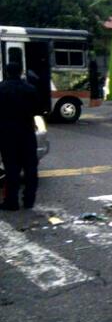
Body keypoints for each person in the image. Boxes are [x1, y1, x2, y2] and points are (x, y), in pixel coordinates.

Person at [0, 62, 41, 211]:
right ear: (21, 72)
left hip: (6, 133)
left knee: (11, 168)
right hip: (26, 131)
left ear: (6, 72)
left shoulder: (1, 88)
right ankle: (29, 200)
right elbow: (38, 109)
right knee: (30, 168)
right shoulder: (30, 89)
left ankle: (11, 201)